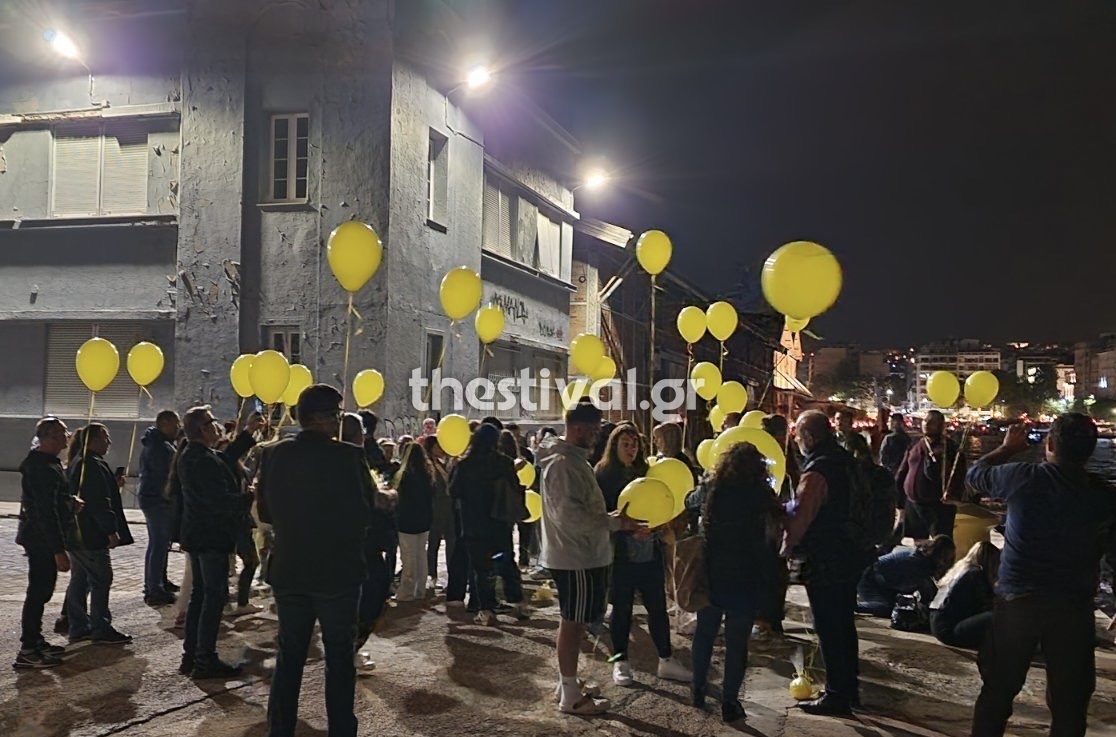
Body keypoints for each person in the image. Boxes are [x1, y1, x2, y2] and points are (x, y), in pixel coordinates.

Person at [966, 416, 1116, 737]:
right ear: (1088, 452)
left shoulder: (1022, 477)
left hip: (1018, 602)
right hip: (1072, 609)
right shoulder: (1103, 497)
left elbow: (975, 475)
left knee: (997, 692)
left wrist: (1006, 449)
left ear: (1049, 445)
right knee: (1070, 704)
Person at [257, 384, 373, 737]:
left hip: (290, 568)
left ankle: (280, 729)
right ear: (324, 418)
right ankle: (341, 729)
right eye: (337, 415)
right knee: (338, 658)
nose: (339, 422)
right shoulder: (348, 457)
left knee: (289, 656)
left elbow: (264, 510)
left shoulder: (274, 454)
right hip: (336, 572)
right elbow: (362, 515)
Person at [538, 399, 641, 716]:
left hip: (583, 555)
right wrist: (614, 523)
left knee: (575, 621)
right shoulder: (563, 465)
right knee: (573, 623)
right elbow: (571, 517)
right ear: (578, 429)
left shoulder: (574, 461)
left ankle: (567, 683)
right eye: (594, 431)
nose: (598, 437)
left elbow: (585, 512)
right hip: (575, 557)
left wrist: (613, 518)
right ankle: (570, 694)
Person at [692, 442, 784, 722]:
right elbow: (779, 516)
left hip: (713, 570)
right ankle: (730, 702)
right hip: (746, 574)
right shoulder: (759, 494)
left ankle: (697, 688)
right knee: (736, 642)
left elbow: (689, 502)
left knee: (705, 633)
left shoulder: (714, 489)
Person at [594, 423, 691, 687]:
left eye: (634, 443)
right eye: (625, 444)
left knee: (657, 607)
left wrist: (659, 526)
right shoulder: (602, 475)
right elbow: (599, 516)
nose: (631, 448)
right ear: (614, 446)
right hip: (620, 554)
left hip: (650, 552)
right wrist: (625, 528)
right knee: (621, 609)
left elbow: (661, 502)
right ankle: (621, 661)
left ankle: (666, 659)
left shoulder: (646, 471)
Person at [784, 410, 863, 716]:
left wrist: (784, 549)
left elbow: (801, 517)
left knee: (829, 626)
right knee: (844, 623)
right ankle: (849, 687)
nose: (797, 441)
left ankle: (836, 695)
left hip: (826, 557)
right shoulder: (844, 459)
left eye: (799, 435)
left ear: (811, 437)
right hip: (850, 552)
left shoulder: (817, 470)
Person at [176, 407, 258, 678]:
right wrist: (247, 498)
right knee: (212, 597)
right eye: (212, 424)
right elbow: (217, 501)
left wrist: (247, 433)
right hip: (210, 536)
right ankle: (204, 659)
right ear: (202, 429)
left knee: (201, 595)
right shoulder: (201, 459)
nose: (217, 428)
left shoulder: (197, 455)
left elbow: (226, 457)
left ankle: (192, 654)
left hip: (199, 535)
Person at [449, 424, 527, 624]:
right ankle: (518, 603)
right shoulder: (504, 462)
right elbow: (515, 487)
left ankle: (487, 609)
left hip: (474, 525)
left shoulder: (464, 465)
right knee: (505, 562)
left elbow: (454, 491)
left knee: (481, 569)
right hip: (499, 523)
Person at [65, 423, 134, 646]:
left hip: (78, 533)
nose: (109, 442)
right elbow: (98, 501)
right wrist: (110, 530)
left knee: (80, 579)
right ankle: (100, 626)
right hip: (90, 534)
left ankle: (78, 625)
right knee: (101, 578)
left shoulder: (81, 461)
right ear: (93, 440)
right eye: (105, 437)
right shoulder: (91, 464)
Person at [14, 418, 75, 668]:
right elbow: (44, 512)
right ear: (49, 437)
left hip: (41, 537)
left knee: (42, 591)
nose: (66, 437)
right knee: (38, 592)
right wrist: (58, 551)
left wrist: (68, 502)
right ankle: (28, 648)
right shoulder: (41, 468)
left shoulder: (49, 464)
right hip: (40, 539)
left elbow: (54, 502)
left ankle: (35, 640)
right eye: (62, 434)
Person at [340, 413, 392, 677]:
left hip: (352, 540)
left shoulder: (341, 457)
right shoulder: (352, 460)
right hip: (361, 539)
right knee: (370, 594)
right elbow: (367, 497)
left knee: (361, 595)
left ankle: (350, 648)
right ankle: (349, 649)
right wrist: (385, 497)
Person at [753, 414, 799, 637]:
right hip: (766, 521)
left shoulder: (787, 457)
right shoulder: (760, 456)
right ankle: (767, 616)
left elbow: (794, 487)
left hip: (777, 521)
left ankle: (771, 617)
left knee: (774, 570)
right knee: (769, 569)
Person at [895, 410, 966, 540]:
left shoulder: (950, 448)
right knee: (918, 543)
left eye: (931, 422)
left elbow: (960, 475)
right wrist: (899, 500)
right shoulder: (915, 444)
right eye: (925, 420)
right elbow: (903, 470)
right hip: (913, 503)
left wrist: (954, 495)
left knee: (940, 543)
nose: (926, 424)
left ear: (940, 426)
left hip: (938, 507)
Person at [137, 410, 182, 606]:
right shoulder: (160, 447)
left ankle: (159, 581)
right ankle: (154, 587)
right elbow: (164, 476)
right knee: (158, 543)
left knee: (159, 544)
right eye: (175, 424)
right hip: (157, 500)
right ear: (164, 423)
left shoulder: (157, 443)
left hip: (153, 498)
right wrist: (168, 496)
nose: (178, 428)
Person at [855, 536, 956, 617]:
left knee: (899, 606)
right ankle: (852, 606)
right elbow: (922, 591)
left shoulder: (919, 555)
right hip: (869, 579)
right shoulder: (919, 565)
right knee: (886, 608)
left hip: (878, 578)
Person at [930, 541, 1000, 650]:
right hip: (949, 630)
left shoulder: (960, 569)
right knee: (996, 615)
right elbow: (987, 603)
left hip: (937, 624)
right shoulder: (975, 574)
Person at [394, 441, 436, 602]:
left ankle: (407, 591)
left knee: (408, 556)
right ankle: (420, 589)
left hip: (406, 519)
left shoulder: (404, 475)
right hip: (424, 518)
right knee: (420, 555)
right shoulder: (427, 473)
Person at [423, 434, 454, 590]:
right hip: (436, 507)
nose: (441, 449)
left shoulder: (444, 463)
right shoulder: (428, 465)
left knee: (451, 541)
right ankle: (432, 575)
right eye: (438, 447)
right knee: (433, 541)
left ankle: (451, 573)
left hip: (448, 507)